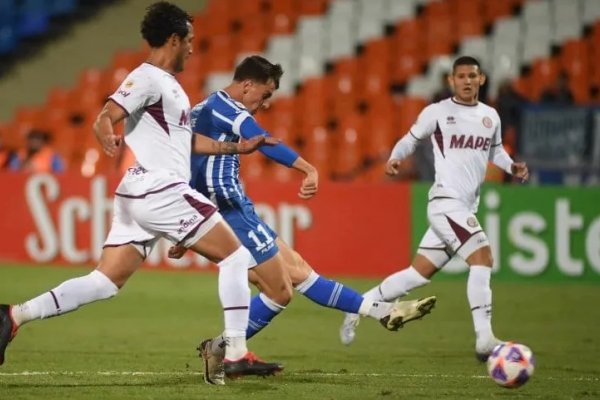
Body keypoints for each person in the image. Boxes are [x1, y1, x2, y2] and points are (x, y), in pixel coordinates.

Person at [0, 1, 283, 379]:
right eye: (190, 41)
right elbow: (107, 114)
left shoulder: (170, 87)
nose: (193, 48)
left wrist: (235, 147)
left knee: (104, 282)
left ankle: (13, 316)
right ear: (173, 39)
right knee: (234, 257)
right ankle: (234, 352)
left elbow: (185, 141)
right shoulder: (147, 78)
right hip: (158, 188)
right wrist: (107, 136)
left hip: (142, 193)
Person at [173, 55, 437, 385]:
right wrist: (308, 168)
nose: (265, 104)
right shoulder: (226, 107)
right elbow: (264, 142)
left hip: (232, 208)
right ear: (247, 85)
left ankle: (223, 347)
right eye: (265, 95)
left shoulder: (205, 109)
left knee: (292, 277)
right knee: (286, 285)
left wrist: (189, 225)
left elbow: (185, 166)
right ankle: (228, 350)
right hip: (229, 211)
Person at [339, 56, 529, 362]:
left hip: (463, 205)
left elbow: (494, 150)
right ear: (451, 81)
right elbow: (410, 139)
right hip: (445, 202)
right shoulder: (438, 113)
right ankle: (484, 338)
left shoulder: (490, 116)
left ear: (481, 80)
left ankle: (359, 305)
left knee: (418, 274)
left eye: (472, 76)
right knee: (482, 258)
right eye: (461, 76)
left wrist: (511, 166)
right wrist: (395, 157)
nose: (467, 81)